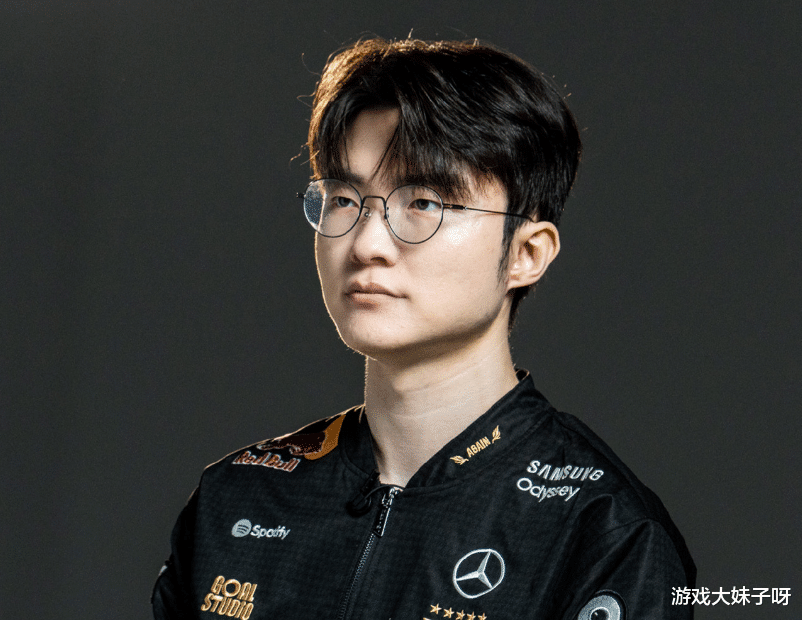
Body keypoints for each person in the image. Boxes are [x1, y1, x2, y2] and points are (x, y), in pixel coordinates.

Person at [152, 38, 695, 620]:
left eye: (424, 203)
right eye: (344, 199)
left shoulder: (605, 532)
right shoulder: (237, 498)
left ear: (527, 253)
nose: (366, 244)